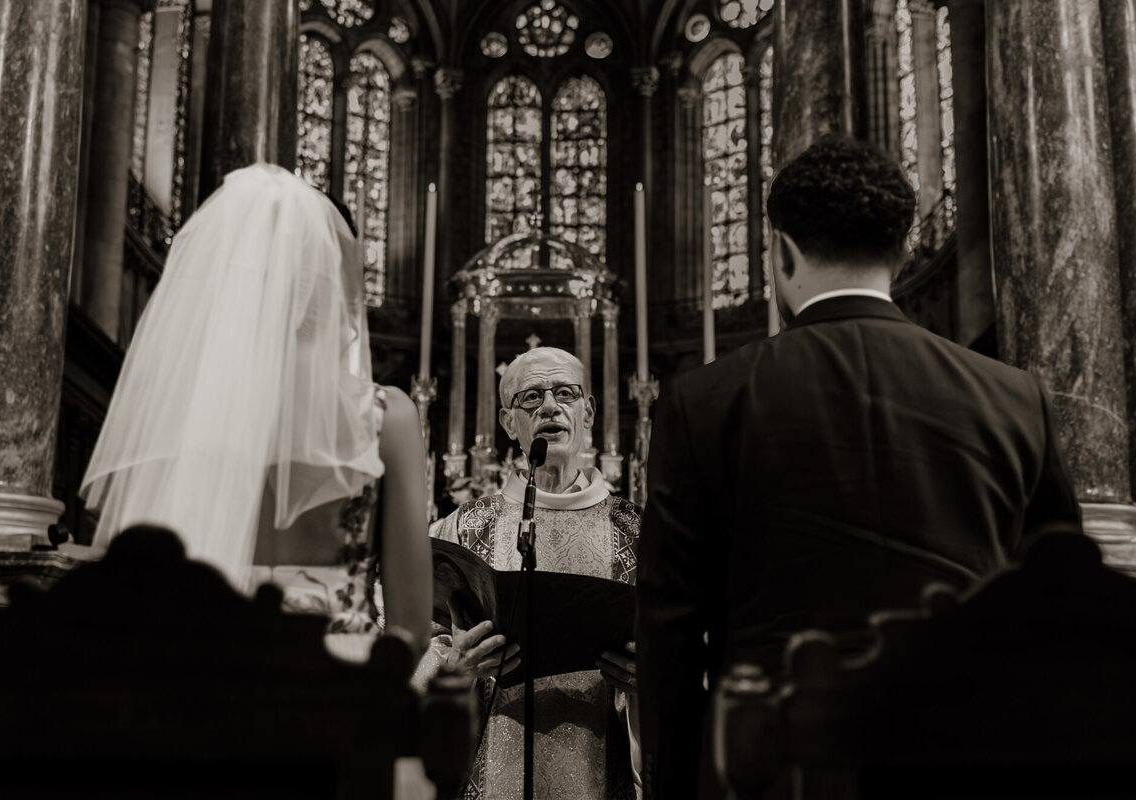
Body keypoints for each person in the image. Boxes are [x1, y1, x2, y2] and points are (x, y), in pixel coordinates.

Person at [634, 135, 1082, 799]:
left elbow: (669, 632)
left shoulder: (704, 401)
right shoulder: (1015, 397)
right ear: (902, 252)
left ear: (782, 251)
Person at [80, 163, 432, 658]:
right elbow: (412, 631)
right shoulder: (386, 416)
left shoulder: (185, 413)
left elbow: (139, 598)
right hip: (342, 702)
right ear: (335, 285)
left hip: (214, 694)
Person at [418, 347, 642, 800]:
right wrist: (455, 670)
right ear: (508, 424)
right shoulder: (461, 529)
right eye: (531, 398)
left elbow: (692, 654)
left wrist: (648, 679)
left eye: (565, 393)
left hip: (600, 772)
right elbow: (410, 646)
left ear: (589, 410)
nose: (550, 407)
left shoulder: (638, 533)